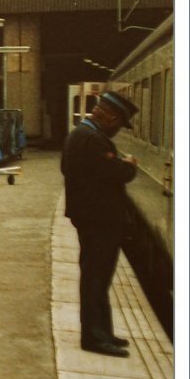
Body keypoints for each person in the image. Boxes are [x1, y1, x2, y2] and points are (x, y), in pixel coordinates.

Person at [60, 90, 139, 358]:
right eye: (119, 125)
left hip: (93, 217)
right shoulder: (93, 139)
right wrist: (129, 165)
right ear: (112, 118)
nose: (118, 131)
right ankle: (94, 337)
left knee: (99, 278)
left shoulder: (81, 134)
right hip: (99, 219)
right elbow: (117, 173)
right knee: (96, 278)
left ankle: (103, 332)